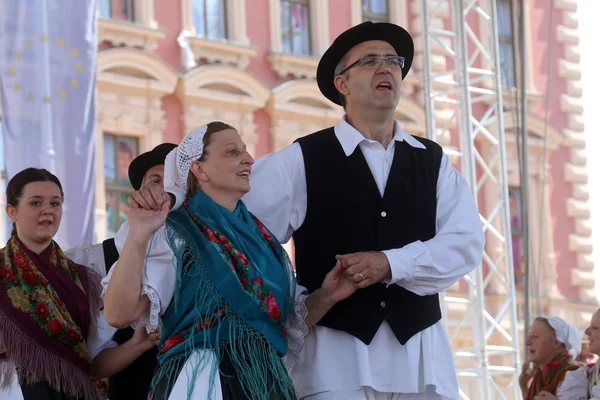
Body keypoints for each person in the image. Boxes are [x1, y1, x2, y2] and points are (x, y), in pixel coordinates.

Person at [130, 22, 485, 400]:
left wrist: (391, 262)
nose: (386, 68)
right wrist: (162, 210)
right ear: (342, 84)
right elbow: (221, 217)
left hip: (420, 359)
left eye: (393, 61)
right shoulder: (303, 159)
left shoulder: (432, 161)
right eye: (369, 61)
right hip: (335, 359)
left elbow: (465, 244)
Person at [102, 122, 356, 400]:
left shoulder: (263, 240)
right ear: (198, 168)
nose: (248, 159)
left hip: (265, 382)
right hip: (203, 381)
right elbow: (118, 314)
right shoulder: (174, 231)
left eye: (246, 151)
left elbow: (284, 323)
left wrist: (328, 295)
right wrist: (138, 235)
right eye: (232, 152)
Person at [0, 168, 157, 400]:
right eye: (35, 203)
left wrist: (137, 345)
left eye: (55, 203)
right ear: (12, 211)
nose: (47, 210)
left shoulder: (83, 279)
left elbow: (92, 365)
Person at [66, 143, 177, 400]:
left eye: (173, 180)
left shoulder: (209, 246)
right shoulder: (99, 258)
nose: (164, 188)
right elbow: (93, 362)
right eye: (155, 180)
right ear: (139, 192)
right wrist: (137, 345)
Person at [519, 316, 585, 400]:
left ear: (555, 343)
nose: (527, 342)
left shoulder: (572, 377)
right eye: (529, 336)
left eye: (535, 336)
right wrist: (523, 386)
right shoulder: (542, 375)